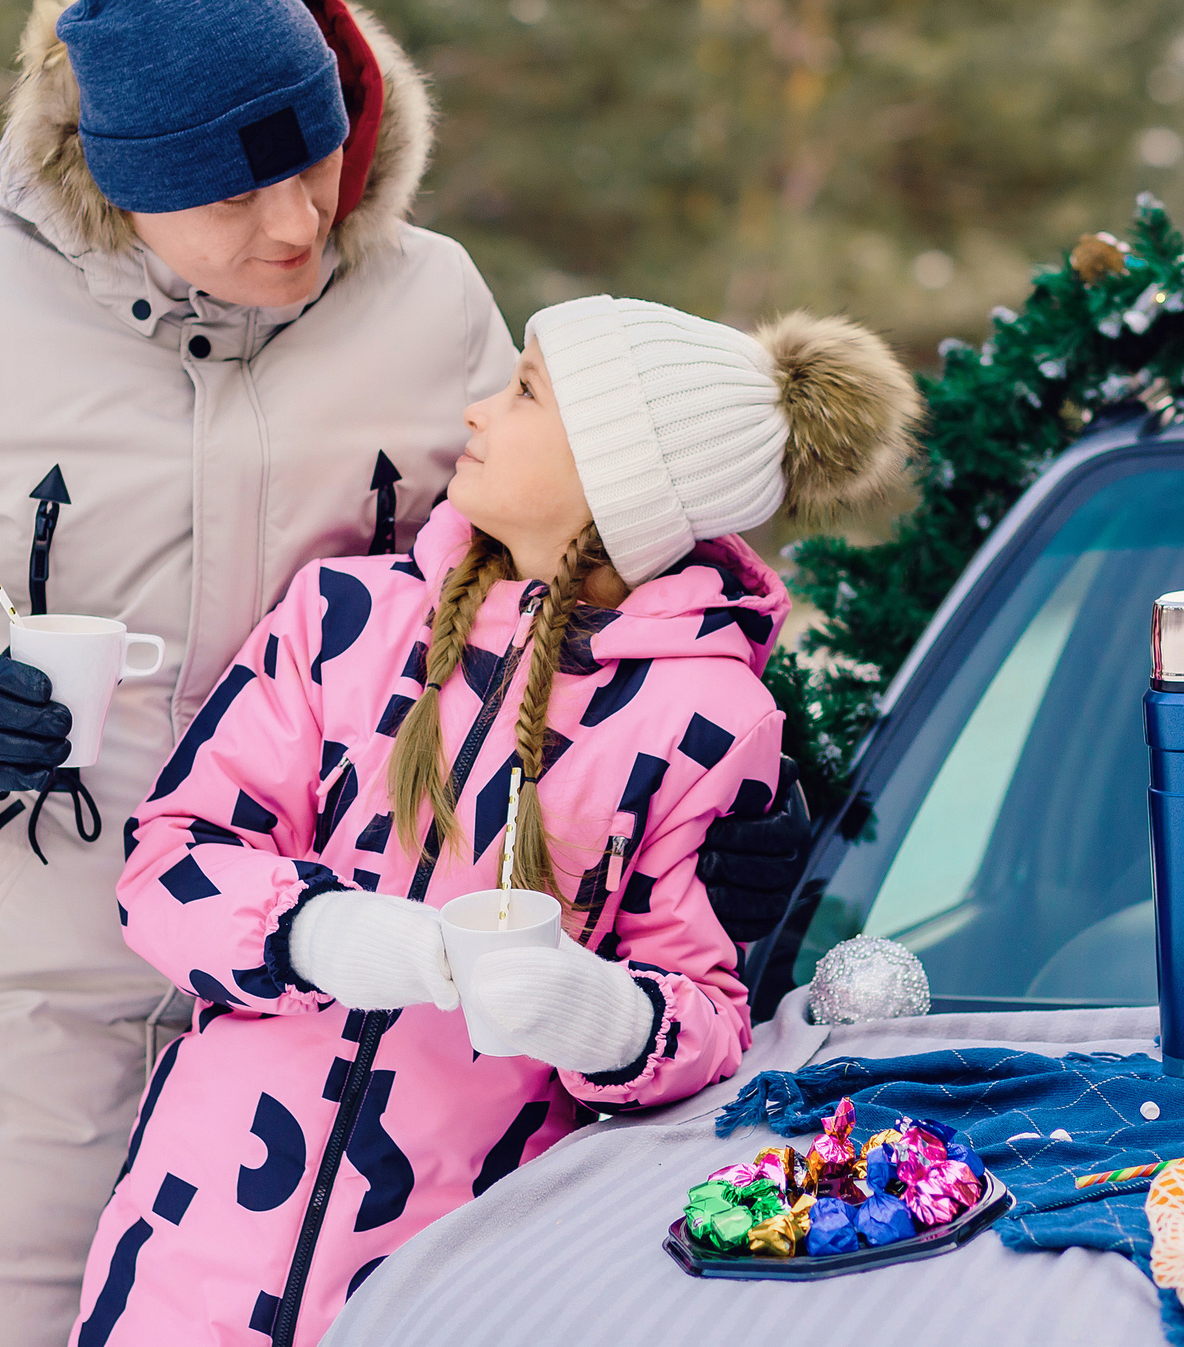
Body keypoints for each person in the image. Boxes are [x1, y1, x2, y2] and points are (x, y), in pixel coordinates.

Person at [0, 0, 809, 1347]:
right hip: (17, 1024)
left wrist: (743, 786)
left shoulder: (429, 303)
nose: (298, 220)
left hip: (346, 1032)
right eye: (235, 195)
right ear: (121, 179)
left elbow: (580, 549)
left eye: (313, 158)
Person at [75, 298, 922, 1347]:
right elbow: (166, 861)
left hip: (460, 1280)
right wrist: (308, 930)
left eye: (524, 392)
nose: (478, 411)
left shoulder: (708, 719)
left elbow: (704, 1012)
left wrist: (606, 1018)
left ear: (620, 475)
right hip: (191, 1245)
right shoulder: (344, 621)